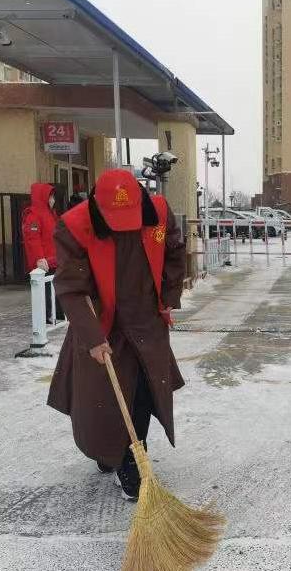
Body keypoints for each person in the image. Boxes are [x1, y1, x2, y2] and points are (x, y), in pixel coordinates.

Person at [47, 169, 186, 501]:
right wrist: (92, 336)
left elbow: (175, 254)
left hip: (145, 320)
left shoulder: (159, 212)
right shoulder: (75, 225)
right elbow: (71, 287)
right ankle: (108, 452)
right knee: (101, 397)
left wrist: (168, 297)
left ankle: (132, 461)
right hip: (102, 320)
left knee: (142, 392)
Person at [22, 182, 64, 323]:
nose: (53, 200)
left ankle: (58, 315)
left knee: (56, 289)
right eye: (50, 196)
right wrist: (39, 259)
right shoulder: (33, 216)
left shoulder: (51, 214)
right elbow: (32, 239)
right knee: (45, 292)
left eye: (52, 197)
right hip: (44, 263)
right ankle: (45, 318)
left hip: (54, 260)